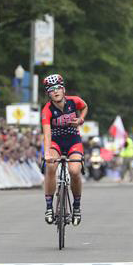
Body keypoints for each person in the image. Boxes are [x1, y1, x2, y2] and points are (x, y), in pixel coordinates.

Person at [41, 74, 88, 226]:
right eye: (51, 90)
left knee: (74, 171)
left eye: (57, 88)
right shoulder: (46, 110)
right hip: (56, 142)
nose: (55, 92)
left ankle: (76, 207)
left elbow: (85, 106)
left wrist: (81, 119)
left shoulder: (74, 101)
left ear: (63, 89)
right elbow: (47, 133)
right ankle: (49, 207)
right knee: (50, 166)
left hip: (73, 141)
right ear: (48, 94)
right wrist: (47, 153)